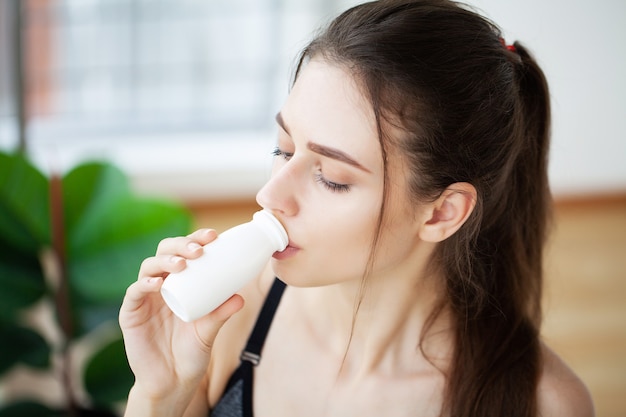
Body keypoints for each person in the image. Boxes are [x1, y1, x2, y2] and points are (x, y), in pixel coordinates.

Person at [119, 0, 595, 416]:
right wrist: (160, 396)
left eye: (333, 178)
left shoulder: (543, 404)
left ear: (441, 213)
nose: (270, 195)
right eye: (284, 150)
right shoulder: (231, 317)